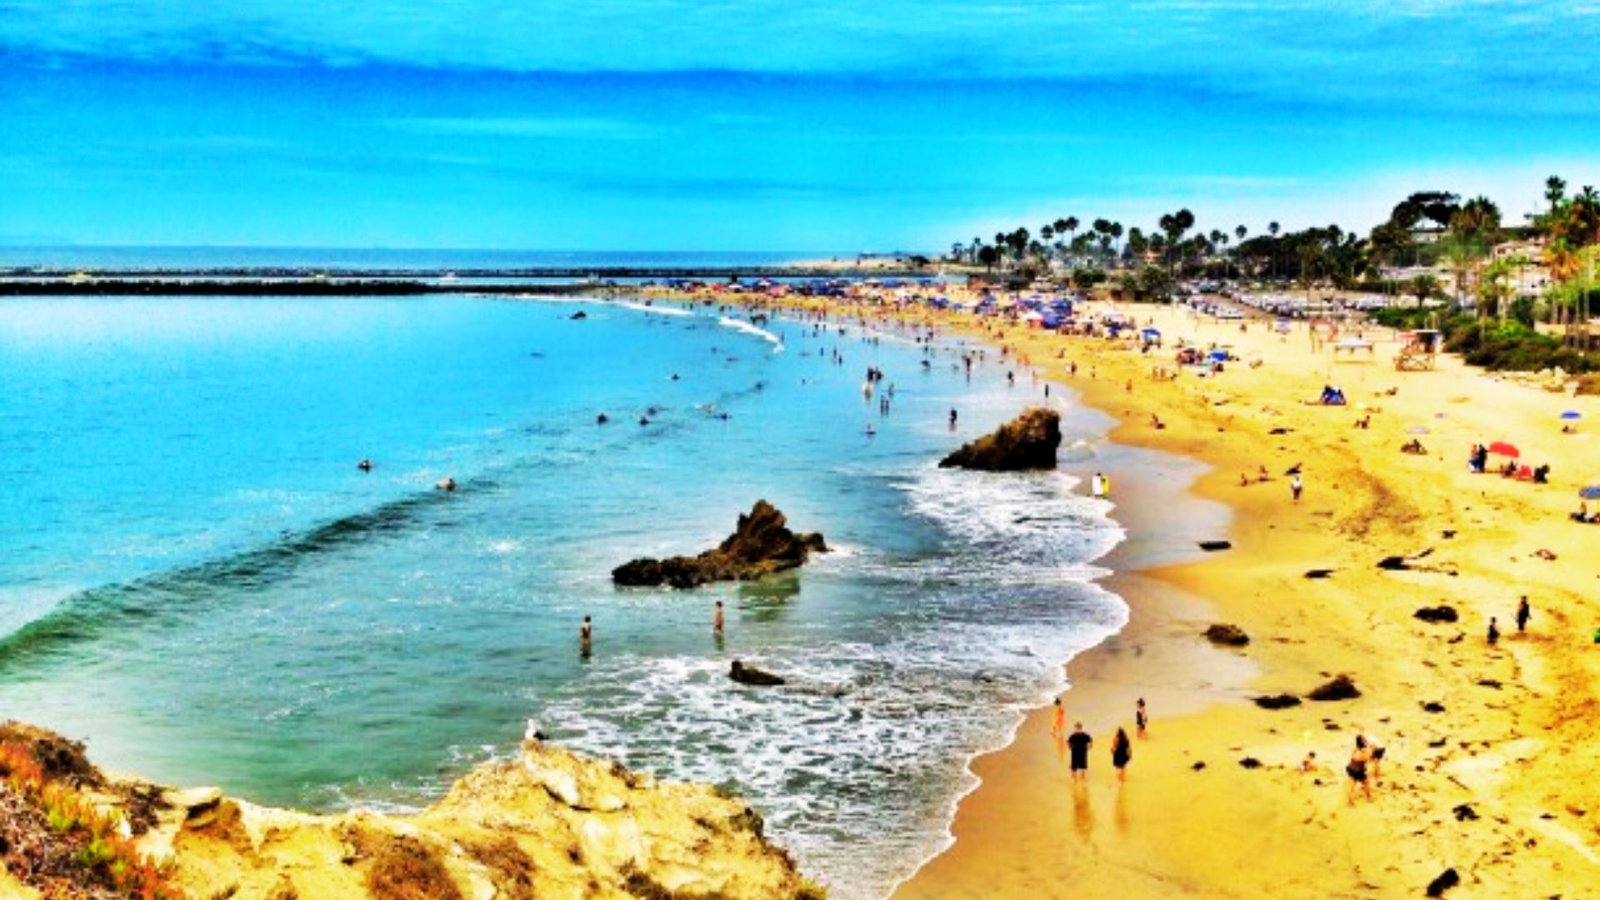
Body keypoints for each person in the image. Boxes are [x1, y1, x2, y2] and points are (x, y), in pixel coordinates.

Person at [1346, 736, 1372, 804]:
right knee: (1366, 783)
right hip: (1359, 770)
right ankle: (1369, 798)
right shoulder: (1364, 751)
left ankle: (1349, 800)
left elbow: (1352, 757)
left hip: (1351, 768)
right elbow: (1367, 760)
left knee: (1351, 785)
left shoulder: (1355, 749)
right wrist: (1369, 748)